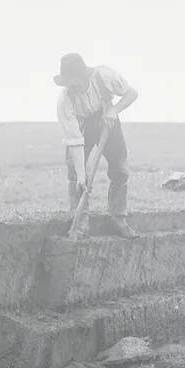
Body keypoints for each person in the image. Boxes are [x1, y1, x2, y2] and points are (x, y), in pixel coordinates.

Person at [55, 53, 139, 239]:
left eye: (75, 82)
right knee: (76, 175)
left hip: (108, 119)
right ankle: (80, 222)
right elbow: (74, 140)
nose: (72, 87)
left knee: (119, 168)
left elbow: (132, 93)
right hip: (82, 125)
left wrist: (114, 111)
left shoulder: (104, 76)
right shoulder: (65, 101)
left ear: (85, 76)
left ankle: (117, 218)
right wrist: (82, 174)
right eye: (68, 83)